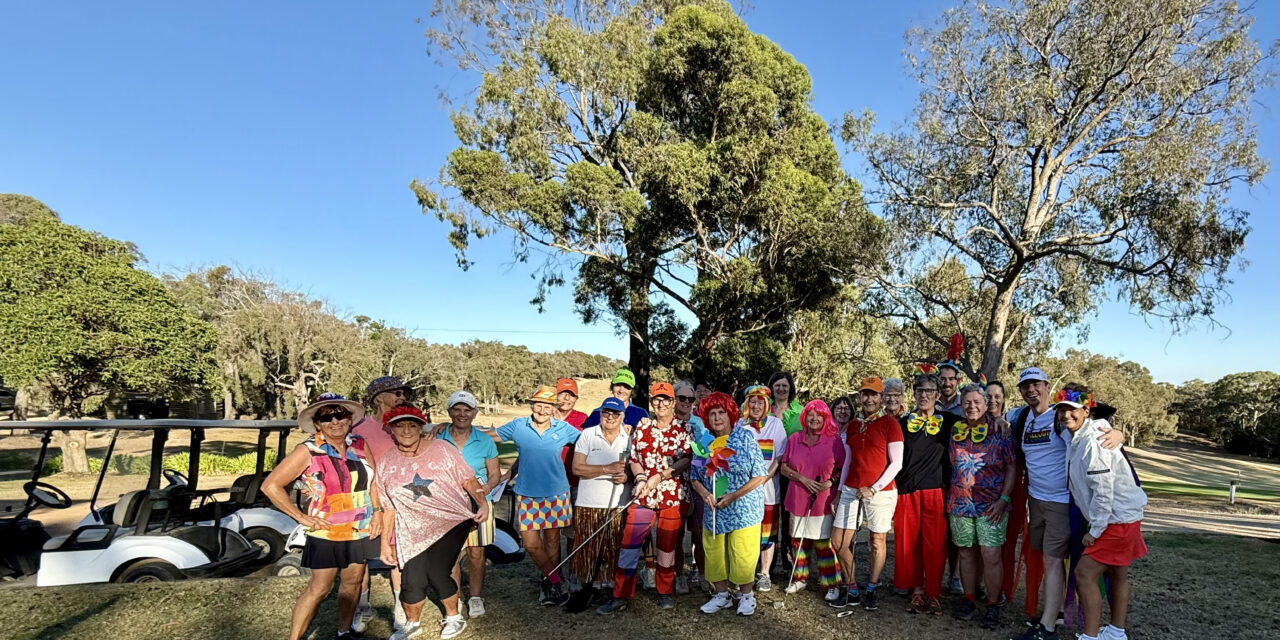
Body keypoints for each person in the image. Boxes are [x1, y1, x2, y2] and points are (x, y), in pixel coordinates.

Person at [1009, 367, 1125, 640]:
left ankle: (1047, 626)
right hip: (1035, 501)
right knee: (1048, 560)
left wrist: (1117, 432)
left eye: (1036, 384)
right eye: (1025, 386)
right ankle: (1057, 610)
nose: (1030, 390)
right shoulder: (1021, 416)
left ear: (1047, 386)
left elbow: (1093, 427)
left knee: (1051, 561)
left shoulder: (1059, 417)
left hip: (1061, 502)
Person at [262, 393, 382, 640]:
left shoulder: (360, 445)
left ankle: (343, 632)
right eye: (327, 416)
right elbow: (271, 486)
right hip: (327, 530)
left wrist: (379, 512)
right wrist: (300, 517)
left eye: (341, 415)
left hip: (360, 527)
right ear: (317, 423)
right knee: (320, 588)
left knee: (352, 585)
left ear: (350, 419)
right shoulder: (307, 450)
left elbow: (374, 482)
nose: (335, 421)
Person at [376, 406, 489, 640]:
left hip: (450, 519)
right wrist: (386, 544)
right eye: (400, 425)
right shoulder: (386, 462)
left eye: (412, 425)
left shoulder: (442, 449)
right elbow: (388, 507)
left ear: (421, 427)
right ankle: (412, 624)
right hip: (411, 527)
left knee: (437, 571)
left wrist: (483, 502)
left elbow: (468, 479)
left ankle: (454, 618)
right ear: (391, 429)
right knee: (412, 579)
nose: (406, 430)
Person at [1058, 385, 1147, 640]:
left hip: (1115, 518)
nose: (1066, 415)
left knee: (1084, 574)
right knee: (1117, 572)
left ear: (1086, 410)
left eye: (1072, 410)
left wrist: (1095, 531)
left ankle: (1090, 636)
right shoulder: (1078, 435)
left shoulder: (1094, 440)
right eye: (1062, 410)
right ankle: (1117, 632)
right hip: (1121, 516)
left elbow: (1104, 489)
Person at [598, 383, 692, 613]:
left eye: (666, 400)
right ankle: (620, 594)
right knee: (630, 544)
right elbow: (634, 457)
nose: (661, 404)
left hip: (672, 495)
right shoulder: (643, 426)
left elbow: (686, 459)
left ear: (673, 403)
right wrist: (640, 477)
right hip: (643, 496)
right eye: (656, 400)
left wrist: (659, 477)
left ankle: (664, 591)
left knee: (667, 546)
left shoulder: (684, 429)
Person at [491, 385, 583, 605]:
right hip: (527, 494)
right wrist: (449, 429)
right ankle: (555, 578)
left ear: (553, 408)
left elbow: (590, 441)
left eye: (547, 406)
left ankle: (549, 584)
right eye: (538, 405)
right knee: (531, 544)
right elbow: (488, 436)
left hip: (556, 494)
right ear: (532, 405)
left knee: (552, 541)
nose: (542, 410)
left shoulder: (564, 428)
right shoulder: (518, 426)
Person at [692, 391, 770, 617]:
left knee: (743, 552)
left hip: (743, 508)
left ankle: (746, 595)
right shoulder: (704, 442)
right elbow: (695, 476)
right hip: (715, 509)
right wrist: (705, 493)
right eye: (712, 414)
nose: (716, 418)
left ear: (730, 414)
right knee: (715, 551)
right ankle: (721, 595)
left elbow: (760, 475)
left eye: (721, 413)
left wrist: (734, 496)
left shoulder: (745, 438)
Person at [829, 377, 903, 611]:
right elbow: (849, 461)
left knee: (877, 541)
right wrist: (840, 491)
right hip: (851, 488)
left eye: (874, 394)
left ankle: (871, 588)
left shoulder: (890, 424)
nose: (869, 399)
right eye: (865, 394)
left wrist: (874, 488)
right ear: (859, 397)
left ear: (881, 397)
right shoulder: (853, 425)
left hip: (880, 492)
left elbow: (896, 463)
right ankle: (851, 589)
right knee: (838, 542)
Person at [350, 376, 416, 632]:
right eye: (395, 393)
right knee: (361, 557)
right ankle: (363, 607)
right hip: (367, 500)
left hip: (402, 499)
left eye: (402, 393)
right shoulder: (359, 429)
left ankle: (400, 607)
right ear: (379, 398)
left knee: (398, 555)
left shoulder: (406, 424)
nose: (401, 397)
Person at [949, 384, 1015, 630]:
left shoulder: (1001, 432)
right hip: (960, 503)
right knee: (965, 551)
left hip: (992, 505)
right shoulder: (956, 430)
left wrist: (1004, 499)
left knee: (990, 555)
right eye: (967, 402)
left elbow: (1011, 467)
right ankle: (968, 598)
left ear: (986, 404)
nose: (972, 406)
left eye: (977, 402)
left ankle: (993, 604)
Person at [893, 369, 959, 616]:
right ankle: (917, 590)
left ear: (937, 394)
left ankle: (933, 593)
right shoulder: (902, 423)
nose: (924, 395)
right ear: (914, 393)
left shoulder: (949, 422)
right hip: (907, 491)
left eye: (929, 391)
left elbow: (979, 422)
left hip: (935, 491)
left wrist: (1001, 422)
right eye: (920, 390)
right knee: (909, 543)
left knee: (934, 545)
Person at [438, 391, 501, 619]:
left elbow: (495, 474)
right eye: (457, 409)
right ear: (449, 412)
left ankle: (475, 597)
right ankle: (454, 597)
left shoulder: (484, 440)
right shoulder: (437, 439)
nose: (462, 414)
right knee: (451, 553)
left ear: (474, 413)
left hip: (479, 502)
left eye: (467, 410)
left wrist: (486, 490)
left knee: (476, 551)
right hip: (447, 504)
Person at [778, 399, 844, 600]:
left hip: (822, 500)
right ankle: (800, 578)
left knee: (823, 543)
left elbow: (843, 469)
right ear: (804, 417)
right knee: (799, 540)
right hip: (797, 496)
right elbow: (783, 467)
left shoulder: (833, 440)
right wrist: (801, 478)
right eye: (810, 414)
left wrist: (830, 483)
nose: (814, 419)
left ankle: (831, 583)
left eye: (819, 415)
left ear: (826, 418)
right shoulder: (795, 439)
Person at [569, 397, 632, 603]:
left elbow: (636, 468)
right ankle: (589, 585)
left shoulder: (630, 438)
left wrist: (627, 476)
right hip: (589, 502)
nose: (610, 417)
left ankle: (608, 585)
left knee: (613, 546)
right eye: (606, 413)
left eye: (615, 414)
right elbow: (577, 468)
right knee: (588, 547)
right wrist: (607, 468)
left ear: (622, 416)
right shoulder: (588, 434)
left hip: (617, 504)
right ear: (600, 414)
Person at [736, 384, 788, 593]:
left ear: (767, 404)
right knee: (745, 532)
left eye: (760, 402)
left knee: (767, 533)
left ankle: (764, 573)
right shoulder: (740, 425)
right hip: (744, 490)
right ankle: (745, 571)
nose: (756, 405)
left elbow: (779, 456)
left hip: (768, 490)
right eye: (752, 401)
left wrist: (766, 478)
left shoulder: (776, 425)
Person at [674, 380, 708, 592]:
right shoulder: (666, 423)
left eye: (690, 399)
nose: (686, 402)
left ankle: (702, 573)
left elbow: (705, 452)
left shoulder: (699, 424)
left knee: (699, 532)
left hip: (697, 482)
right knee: (675, 533)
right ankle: (678, 575)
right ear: (674, 399)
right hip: (674, 482)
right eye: (682, 398)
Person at [582, 368, 649, 429]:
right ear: (612, 387)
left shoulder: (641, 413)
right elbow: (587, 438)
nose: (621, 390)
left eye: (626, 387)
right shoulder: (597, 413)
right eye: (618, 385)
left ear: (632, 390)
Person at [768, 371, 804, 436]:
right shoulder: (763, 410)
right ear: (771, 388)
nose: (781, 389)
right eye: (777, 385)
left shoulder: (801, 411)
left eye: (784, 386)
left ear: (790, 388)